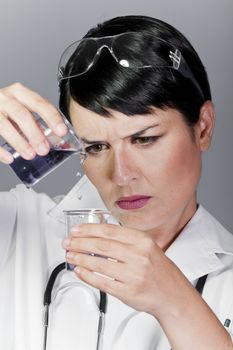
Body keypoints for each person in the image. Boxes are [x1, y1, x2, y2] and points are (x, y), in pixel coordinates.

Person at [0, 15, 232, 350]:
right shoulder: (19, 227)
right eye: (96, 147)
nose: (121, 175)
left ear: (203, 128)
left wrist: (176, 304)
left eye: (144, 139)